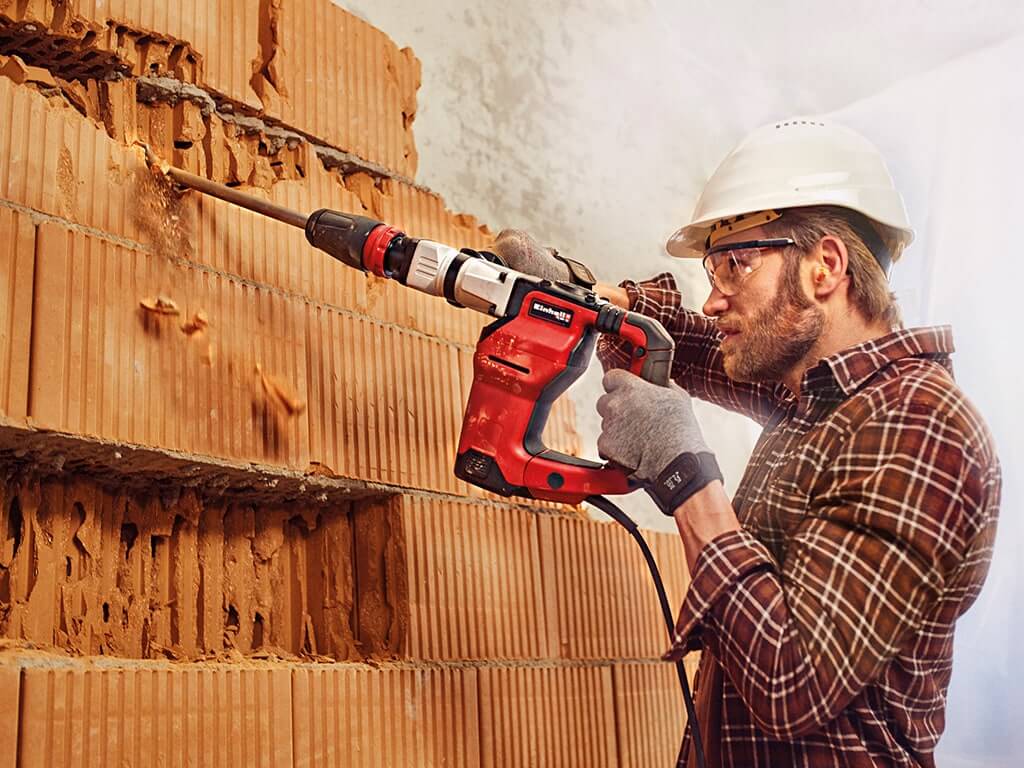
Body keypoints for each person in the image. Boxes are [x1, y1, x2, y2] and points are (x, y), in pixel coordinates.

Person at [493, 119, 1002, 767]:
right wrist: (591, 301)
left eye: (737, 264)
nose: (712, 299)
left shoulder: (920, 427)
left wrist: (684, 474)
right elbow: (694, 347)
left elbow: (791, 680)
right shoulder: (818, 395)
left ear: (825, 266)